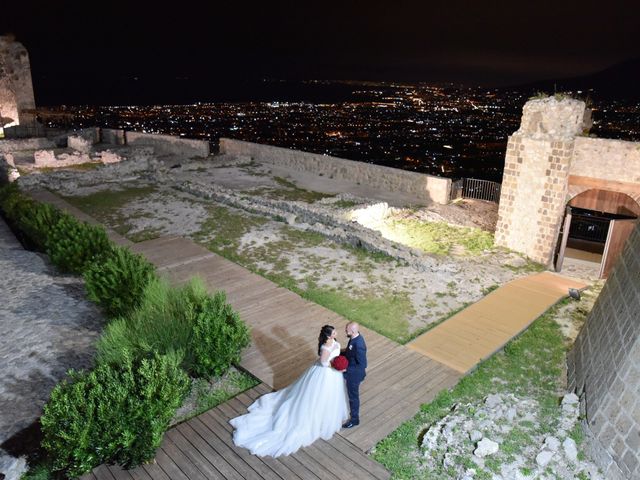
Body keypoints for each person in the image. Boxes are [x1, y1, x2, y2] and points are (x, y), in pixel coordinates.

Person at [229, 325, 349, 457]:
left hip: (332, 376)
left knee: (328, 397)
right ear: (328, 336)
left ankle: (324, 417)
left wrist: (342, 357)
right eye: (333, 332)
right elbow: (323, 362)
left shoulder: (334, 342)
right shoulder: (325, 347)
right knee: (314, 397)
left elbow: (337, 350)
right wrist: (337, 366)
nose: (336, 333)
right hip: (324, 374)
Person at [342, 322, 367, 428]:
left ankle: (354, 419)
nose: (345, 331)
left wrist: (345, 369)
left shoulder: (359, 344)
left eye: (346, 329)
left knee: (353, 397)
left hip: (354, 375)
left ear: (352, 331)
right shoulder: (354, 338)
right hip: (350, 370)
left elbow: (363, 364)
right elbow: (350, 352)